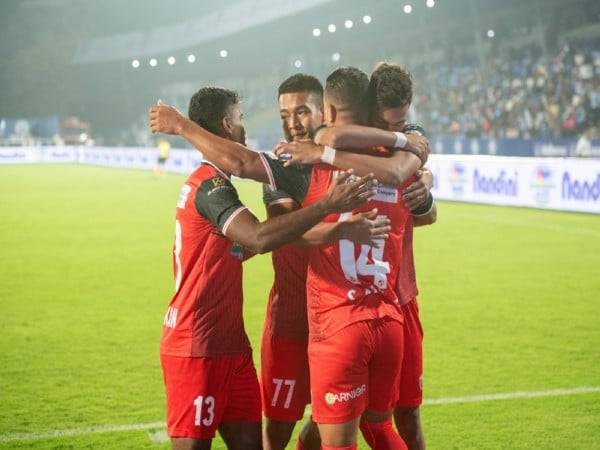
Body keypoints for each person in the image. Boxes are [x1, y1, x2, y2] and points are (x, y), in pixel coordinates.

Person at [149, 71, 431, 450]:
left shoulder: (305, 166)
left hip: (337, 323)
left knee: (338, 430)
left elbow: (252, 189)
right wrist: (413, 157)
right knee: (369, 426)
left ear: (325, 111)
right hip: (353, 317)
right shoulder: (394, 163)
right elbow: (424, 207)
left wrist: (180, 125)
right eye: (284, 116)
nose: (292, 123)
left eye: (301, 113)